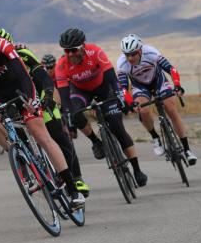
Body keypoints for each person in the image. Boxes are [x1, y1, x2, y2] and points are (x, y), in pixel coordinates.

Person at [0, 18, 85, 208]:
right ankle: (20, 156)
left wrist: (32, 100)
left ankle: (73, 189)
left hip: (19, 88)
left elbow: (23, 75)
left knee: (41, 134)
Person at [0, 29, 90, 197]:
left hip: (39, 94)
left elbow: (44, 77)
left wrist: (49, 97)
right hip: (16, 102)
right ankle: (32, 169)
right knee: (17, 136)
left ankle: (76, 179)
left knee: (58, 136)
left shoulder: (21, 52)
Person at [56, 28, 148, 187]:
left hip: (104, 88)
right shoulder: (62, 65)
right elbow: (65, 98)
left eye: (73, 50)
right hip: (81, 91)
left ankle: (137, 169)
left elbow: (113, 79)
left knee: (117, 126)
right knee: (75, 113)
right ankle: (96, 141)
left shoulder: (96, 52)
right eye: (66, 51)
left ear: (83, 46)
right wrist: (68, 114)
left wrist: (121, 98)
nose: (70, 54)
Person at [117, 33, 197, 165]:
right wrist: (130, 103)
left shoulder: (151, 52)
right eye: (127, 55)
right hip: (140, 86)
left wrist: (177, 85)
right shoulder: (122, 64)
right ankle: (155, 137)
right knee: (143, 111)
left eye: (133, 54)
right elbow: (123, 88)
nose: (130, 58)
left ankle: (187, 150)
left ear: (140, 50)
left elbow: (171, 69)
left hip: (158, 81)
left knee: (171, 110)